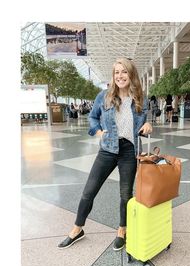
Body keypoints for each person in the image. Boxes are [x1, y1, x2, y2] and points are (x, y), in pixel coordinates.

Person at [58, 57, 152, 251]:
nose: (120, 76)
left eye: (124, 71)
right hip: (108, 149)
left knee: (125, 194)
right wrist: (99, 132)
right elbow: (93, 117)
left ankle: (122, 230)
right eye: (117, 72)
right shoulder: (104, 96)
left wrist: (149, 124)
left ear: (131, 74)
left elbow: (150, 116)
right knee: (89, 191)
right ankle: (77, 229)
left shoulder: (140, 98)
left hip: (129, 151)